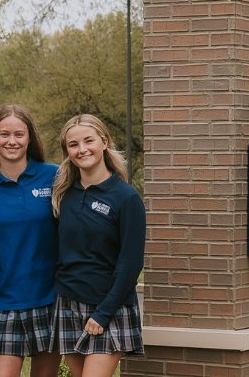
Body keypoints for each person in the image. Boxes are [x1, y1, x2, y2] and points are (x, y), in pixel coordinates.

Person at [0, 105, 62, 377]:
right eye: (5, 134)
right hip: (4, 301)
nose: (12, 141)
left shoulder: (54, 176)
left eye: (19, 134)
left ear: (29, 138)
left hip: (50, 299)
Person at [51, 114, 145, 376]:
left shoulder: (126, 198)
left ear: (104, 141)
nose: (82, 150)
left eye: (88, 141)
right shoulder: (64, 194)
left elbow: (130, 263)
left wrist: (103, 313)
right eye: (73, 144)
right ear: (67, 151)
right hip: (68, 303)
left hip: (109, 307)